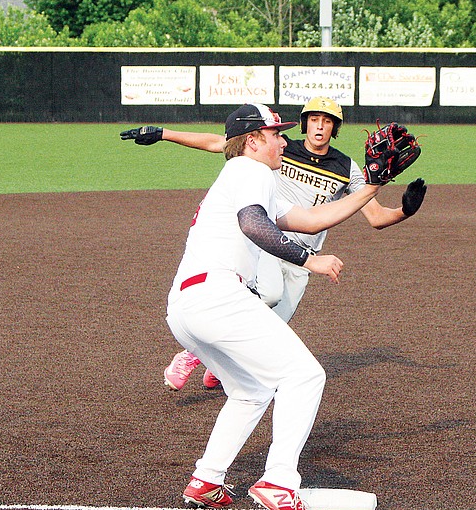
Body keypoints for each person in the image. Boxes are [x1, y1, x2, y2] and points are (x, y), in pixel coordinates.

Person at [165, 102, 385, 510]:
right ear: (252, 140)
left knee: (250, 391)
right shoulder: (250, 171)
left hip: (185, 305)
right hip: (219, 296)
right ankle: (279, 481)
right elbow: (253, 225)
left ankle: (206, 479)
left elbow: (311, 218)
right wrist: (310, 261)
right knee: (305, 376)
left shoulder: (247, 177)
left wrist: (372, 187)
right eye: (276, 134)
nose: (285, 140)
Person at [121, 97, 426, 391]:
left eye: (328, 121)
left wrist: (405, 211)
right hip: (266, 240)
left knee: (271, 326)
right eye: (314, 119)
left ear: (335, 128)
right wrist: (164, 133)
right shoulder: (279, 147)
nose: (320, 126)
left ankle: (221, 365)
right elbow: (221, 143)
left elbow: (374, 216)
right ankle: (193, 354)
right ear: (305, 124)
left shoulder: (345, 167)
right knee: (268, 293)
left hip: (303, 255)